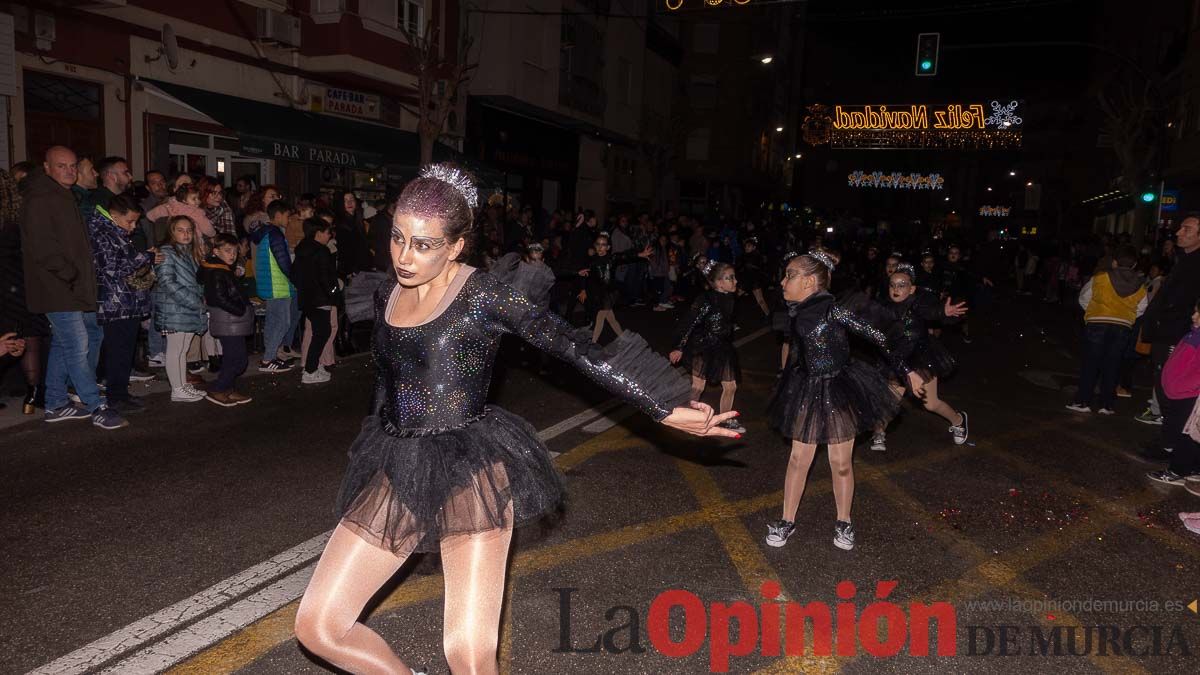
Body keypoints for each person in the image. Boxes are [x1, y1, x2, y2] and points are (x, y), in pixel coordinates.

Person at [292, 164, 738, 675]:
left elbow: (571, 345)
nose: (404, 256)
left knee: (469, 656)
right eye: (397, 238)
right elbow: (388, 385)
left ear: (456, 247)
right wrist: (379, 459)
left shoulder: (482, 295)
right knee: (320, 626)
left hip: (470, 470)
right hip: (399, 459)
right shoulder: (383, 292)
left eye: (424, 244)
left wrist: (660, 404)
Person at [765, 251, 915, 551]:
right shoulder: (796, 311)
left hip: (838, 388)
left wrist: (908, 369)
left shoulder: (834, 309)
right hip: (806, 387)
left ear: (808, 282)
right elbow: (797, 351)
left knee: (841, 462)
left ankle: (844, 521)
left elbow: (880, 335)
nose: (783, 281)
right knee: (798, 459)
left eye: (789, 275)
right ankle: (787, 520)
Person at [21, 146, 126, 429]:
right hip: (57, 287)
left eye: (71, 166)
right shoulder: (40, 198)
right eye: (61, 166)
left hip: (70, 285)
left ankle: (55, 402)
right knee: (77, 345)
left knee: (64, 344)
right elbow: (43, 247)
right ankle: (95, 406)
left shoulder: (60, 194)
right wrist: (70, 274)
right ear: (46, 167)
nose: (68, 171)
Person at [864, 264, 970, 452]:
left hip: (920, 359)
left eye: (902, 285)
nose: (896, 289)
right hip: (896, 360)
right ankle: (879, 433)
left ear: (912, 288)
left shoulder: (919, 302)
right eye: (893, 285)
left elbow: (931, 311)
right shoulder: (882, 305)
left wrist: (942, 312)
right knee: (889, 400)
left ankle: (959, 420)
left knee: (931, 404)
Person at [87, 194, 158, 416]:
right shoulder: (100, 231)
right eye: (130, 221)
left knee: (125, 350)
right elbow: (110, 267)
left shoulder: (113, 230)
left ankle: (120, 393)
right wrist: (146, 257)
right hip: (114, 301)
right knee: (118, 351)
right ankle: (115, 396)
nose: (133, 227)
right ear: (114, 215)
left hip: (125, 301)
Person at [1066, 245, 1147, 415]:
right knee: (1113, 365)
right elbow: (1142, 308)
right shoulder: (1140, 285)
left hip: (1098, 323)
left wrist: (1093, 312)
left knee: (1090, 364)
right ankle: (1106, 405)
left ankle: (1083, 402)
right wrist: (1127, 317)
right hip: (1123, 327)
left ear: (1115, 262)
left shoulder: (1100, 278)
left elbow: (1084, 297)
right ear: (1134, 265)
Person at [670, 261, 745, 434]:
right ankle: (684, 419)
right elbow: (690, 323)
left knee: (731, 386)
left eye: (734, 277)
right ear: (719, 283)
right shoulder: (706, 300)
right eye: (730, 278)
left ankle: (725, 419)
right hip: (703, 347)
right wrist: (679, 347)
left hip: (723, 347)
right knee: (698, 387)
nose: (735, 281)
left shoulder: (730, 298)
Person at [0, 167, 48, 415]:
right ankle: (34, 394)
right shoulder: (18, 218)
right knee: (27, 337)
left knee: (8, 339)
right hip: (20, 283)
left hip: (7, 285)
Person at [153, 215, 208, 402]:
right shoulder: (167, 252)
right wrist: (194, 301)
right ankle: (177, 389)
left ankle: (182, 384)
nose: (186, 234)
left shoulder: (189, 253)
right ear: (171, 231)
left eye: (189, 231)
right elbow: (168, 282)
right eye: (180, 230)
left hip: (186, 308)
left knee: (183, 349)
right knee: (175, 349)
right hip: (174, 309)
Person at [198, 234, 254, 406]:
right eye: (227, 251)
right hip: (228, 321)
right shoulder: (216, 271)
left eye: (235, 251)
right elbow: (219, 298)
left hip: (231, 322)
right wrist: (240, 309)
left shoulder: (222, 269)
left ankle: (227, 388)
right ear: (216, 251)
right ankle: (218, 389)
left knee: (237, 358)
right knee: (235, 359)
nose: (232, 255)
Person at [578, 232, 652, 343]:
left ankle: (592, 343)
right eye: (598, 244)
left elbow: (625, 256)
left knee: (600, 316)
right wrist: (583, 289)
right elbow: (586, 275)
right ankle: (622, 336)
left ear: (608, 247)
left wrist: (640, 254)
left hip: (610, 293)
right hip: (600, 294)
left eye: (603, 245)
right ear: (594, 245)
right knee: (611, 319)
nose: (600, 247)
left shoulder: (612, 258)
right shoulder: (592, 261)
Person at [251, 200, 297, 373]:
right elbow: (283, 261)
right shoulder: (276, 234)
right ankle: (268, 359)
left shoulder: (264, 233)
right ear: (278, 215)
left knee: (272, 321)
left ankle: (269, 356)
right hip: (278, 285)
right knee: (283, 322)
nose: (289, 219)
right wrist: (294, 277)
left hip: (268, 284)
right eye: (287, 216)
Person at [292, 217, 339, 384]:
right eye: (327, 232)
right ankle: (310, 371)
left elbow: (294, 275)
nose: (330, 235)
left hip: (307, 298)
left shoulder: (301, 250)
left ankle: (313, 366)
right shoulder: (321, 251)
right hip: (321, 299)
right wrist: (333, 292)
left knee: (318, 332)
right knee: (322, 333)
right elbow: (327, 277)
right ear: (318, 233)